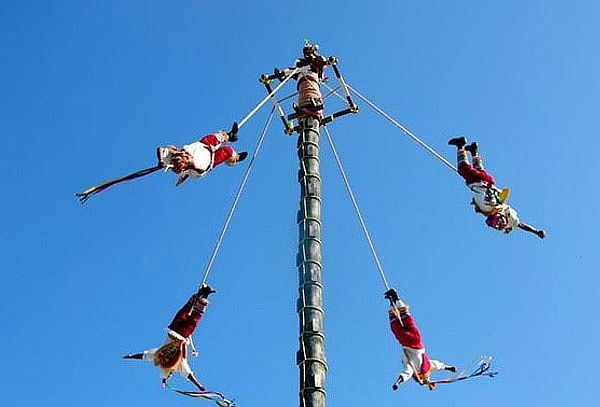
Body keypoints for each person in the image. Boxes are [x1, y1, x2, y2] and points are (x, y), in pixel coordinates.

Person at [448, 136, 546, 239]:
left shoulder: (501, 212)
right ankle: (460, 145)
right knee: (463, 169)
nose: (499, 226)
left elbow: (521, 225)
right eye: (499, 224)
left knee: (480, 169)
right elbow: (521, 225)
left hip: (488, 181)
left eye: (497, 226)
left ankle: (474, 151)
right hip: (479, 181)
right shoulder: (492, 207)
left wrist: (536, 232)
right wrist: (536, 232)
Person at [123, 284, 216, 391]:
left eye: (169, 375)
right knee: (194, 319)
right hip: (182, 334)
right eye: (170, 375)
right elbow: (189, 375)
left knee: (184, 312)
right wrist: (199, 385)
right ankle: (205, 294)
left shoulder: (158, 357)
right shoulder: (180, 364)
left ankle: (199, 294)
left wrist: (130, 356)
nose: (171, 374)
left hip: (174, 330)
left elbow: (144, 356)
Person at [384, 289, 456, 391]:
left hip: (416, 341)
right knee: (398, 325)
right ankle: (393, 300)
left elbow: (438, 365)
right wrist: (397, 383)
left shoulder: (423, 366)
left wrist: (449, 368)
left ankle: (393, 299)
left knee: (406, 321)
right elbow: (406, 374)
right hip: (410, 343)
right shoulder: (416, 368)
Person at [158, 123, 248, 186]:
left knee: (213, 137)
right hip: (211, 159)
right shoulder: (197, 165)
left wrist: (161, 161)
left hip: (203, 145)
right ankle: (236, 158)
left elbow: (161, 150)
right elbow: (199, 170)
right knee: (228, 151)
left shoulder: (175, 156)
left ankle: (230, 135)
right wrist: (190, 167)